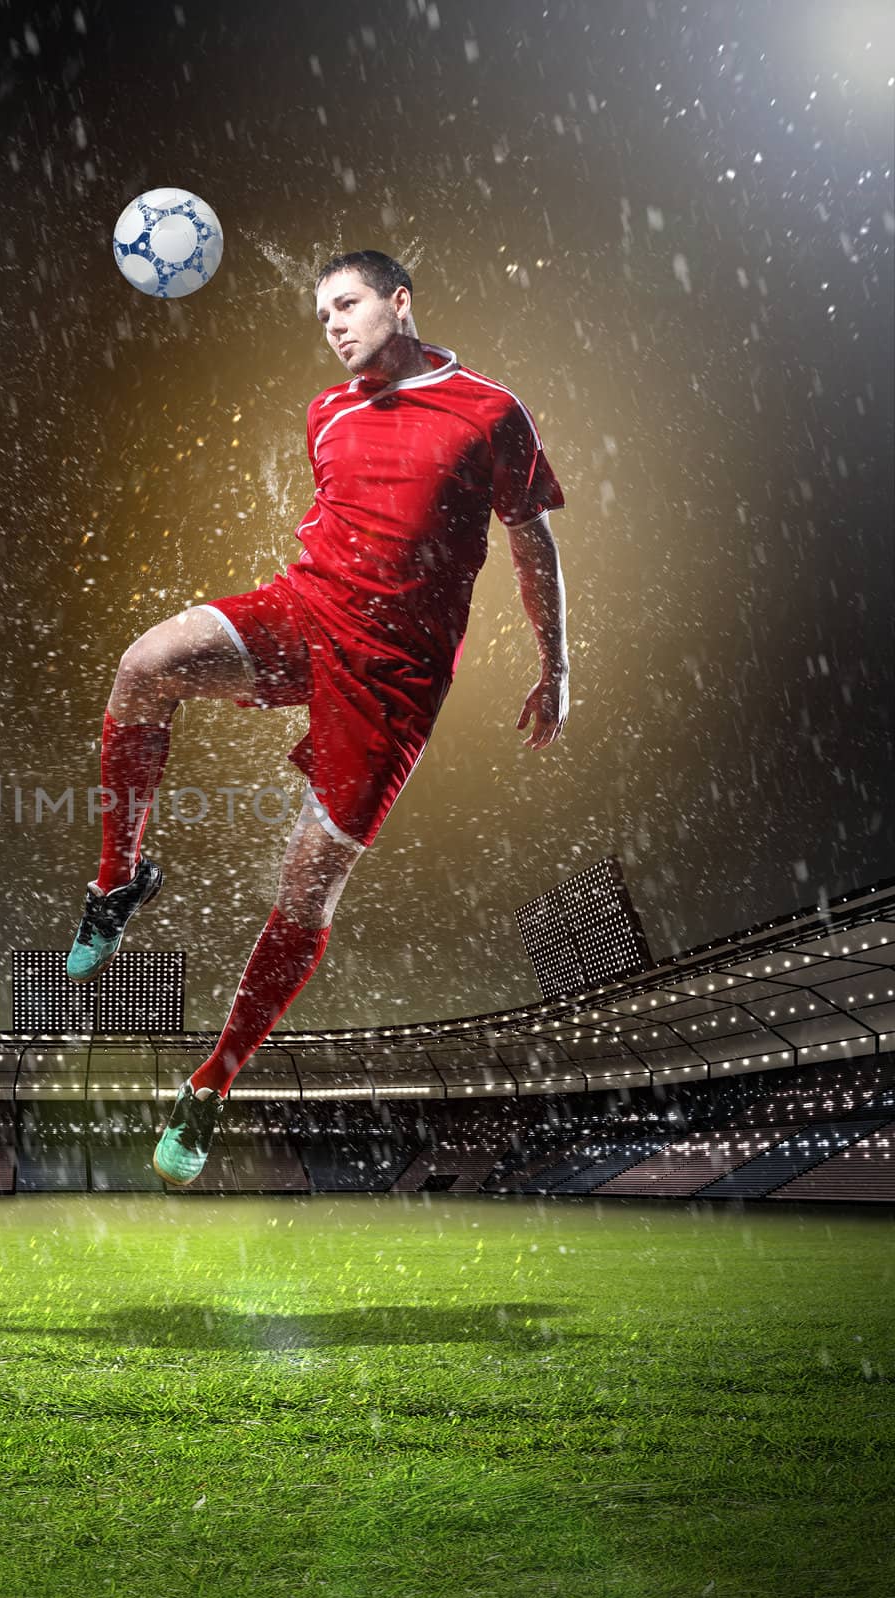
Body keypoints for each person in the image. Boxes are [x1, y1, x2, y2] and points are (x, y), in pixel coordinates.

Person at [64, 249, 569, 1187]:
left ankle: (212, 1082)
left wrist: (556, 664)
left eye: (348, 304)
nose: (333, 325)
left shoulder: (491, 410)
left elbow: (530, 539)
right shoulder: (326, 412)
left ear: (400, 301)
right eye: (321, 314)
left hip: (398, 678)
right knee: (145, 665)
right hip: (308, 612)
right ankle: (116, 882)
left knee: (308, 883)